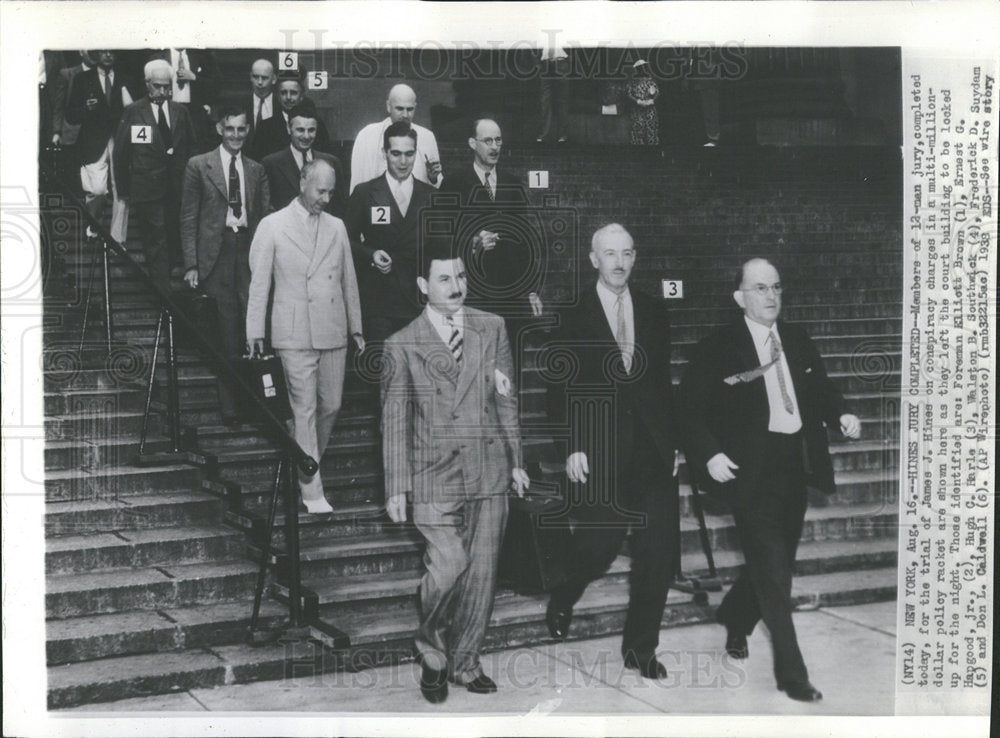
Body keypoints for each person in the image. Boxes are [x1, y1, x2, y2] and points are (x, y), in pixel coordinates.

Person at [680, 257, 862, 703]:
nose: (771, 296)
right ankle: (792, 673)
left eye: (777, 287)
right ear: (739, 296)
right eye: (760, 288)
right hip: (749, 473)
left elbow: (820, 389)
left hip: (793, 466)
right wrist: (711, 454)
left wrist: (841, 412)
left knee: (774, 568)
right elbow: (688, 410)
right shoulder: (718, 346)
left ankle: (735, 619)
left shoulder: (797, 339)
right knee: (774, 574)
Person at [381, 240, 529, 703]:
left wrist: (518, 460)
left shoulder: (492, 327)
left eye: (462, 277)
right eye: (445, 278)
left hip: (488, 469)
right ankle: (431, 652)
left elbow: (506, 399)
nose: (456, 286)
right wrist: (396, 486)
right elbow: (394, 420)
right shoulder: (401, 344)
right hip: (433, 474)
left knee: (481, 575)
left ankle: (465, 662)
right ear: (424, 285)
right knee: (448, 567)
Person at [542, 223, 680, 680]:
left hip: (652, 452)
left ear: (634, 257)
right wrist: (571, 446)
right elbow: (557, 387)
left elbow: (661, 385)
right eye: (610, 254)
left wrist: (673, 442)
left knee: (658, 553)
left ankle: (641, 648)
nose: (619, 262)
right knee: (598, 548)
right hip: (599, 448)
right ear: (593, 258)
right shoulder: (572, 312)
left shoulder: (655, 311)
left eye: (626, 253)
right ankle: (564, 594)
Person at [246, 159, 364, 515]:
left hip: (332, 328)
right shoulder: (273, 225)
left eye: (331, 192)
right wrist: (254, 330)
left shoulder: (338, 226)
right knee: (304, 410)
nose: (326, 198)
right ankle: (312, 490)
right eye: (320, 191)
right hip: (293, 331)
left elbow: (349, 280)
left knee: (332, 405)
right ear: (302, 182)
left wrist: (356, 326)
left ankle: (302, 461)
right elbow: (259, 283)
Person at [180, 106, 271, 426]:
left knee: (254, 326)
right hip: (215, 257)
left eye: (242, 129)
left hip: (247, 250)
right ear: (220, 128)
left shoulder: (256, 169)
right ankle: (231, 405)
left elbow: (263, 217)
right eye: (230, 129)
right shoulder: (198, 165)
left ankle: (256, 402)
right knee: (226, 332)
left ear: (248, 130)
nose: (236, 135)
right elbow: (189, 217)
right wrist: (191, 264)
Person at [441, 117, 544, 328]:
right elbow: (441, 238)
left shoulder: (512, 184)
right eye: (488, 141)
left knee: (511, 357)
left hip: (511, 293)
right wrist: (471, 242)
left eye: (498, 140)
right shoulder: (453, 184)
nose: (495, 147)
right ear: (472, 143)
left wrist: (532, 291)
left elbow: (524, 242)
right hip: (472, 292)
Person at [345, 121, 435, 344]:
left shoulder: (432, 197)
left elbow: (440, 249)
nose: (403, 162)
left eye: (409, 154)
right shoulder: (365, 193)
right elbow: (345, 241)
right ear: (384, 153)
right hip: (379, 301)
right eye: (396, 154)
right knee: (383, 372)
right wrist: (371, 255)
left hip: (418, 302)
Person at [114, 59, 197, 286]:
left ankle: (163, 284)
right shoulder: (133, 113)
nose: (162, 91)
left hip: (177, 188)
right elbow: (121, 154)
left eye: (166, 86)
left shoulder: (181, 112)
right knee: (156, 238)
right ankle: (164, 294)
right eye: (157, 86)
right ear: (147, 84)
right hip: (146, 189)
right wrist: (124, 190)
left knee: (171, 238)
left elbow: (191, 147)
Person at [65, 50, 133, 227]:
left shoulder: (126, 78)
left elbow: (135, 109)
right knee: (97, 190)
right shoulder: (83, 79)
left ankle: (118, 240)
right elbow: (70, 115)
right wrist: (86, 109)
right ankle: (94, 226)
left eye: (112, 52)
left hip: (121, 138)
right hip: (93, 142)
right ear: (97, 54)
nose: (109, 55)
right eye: (104, 52)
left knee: (122, 192)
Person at [349, 83, 442, 193]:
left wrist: (433, 178)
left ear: (415, 107)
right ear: (388, 106)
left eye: (410, 109)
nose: (405, 115)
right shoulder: (366, 136)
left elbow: (435, 185)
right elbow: (357, 181)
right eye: (400, 108)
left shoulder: (427, 137)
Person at [262, 100, 345, 215]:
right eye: (300, 130)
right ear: (288, 128)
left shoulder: (331, 162)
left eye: (311, 130)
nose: (306, 136)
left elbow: (339, 207)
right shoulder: (271, 164)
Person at [147, 48, 219, 152]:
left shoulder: (200, 56)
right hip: (168, 110)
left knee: (193, 150)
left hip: (194, 113)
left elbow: (216, 85)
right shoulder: (158, 57)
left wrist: (194, 77)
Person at [249, 71, 332, 161]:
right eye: (283, 93)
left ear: (301, 96)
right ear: (278, 97)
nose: (288, 97)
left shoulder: (316, 124)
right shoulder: (265, 127)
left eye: (293, 93)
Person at [535, 44, 570, 143]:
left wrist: (569, 61)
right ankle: (543, 135)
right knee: (544, 101)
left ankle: (563, 135)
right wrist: (537, 64)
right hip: (545, 65)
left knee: (562, 101)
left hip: (561, 63)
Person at [245, 58, 277, 155]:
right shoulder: (241, 104)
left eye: (264, 78)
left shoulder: (281, 104)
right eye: (255, 77)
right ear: (250, 77)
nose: (259, 82)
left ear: (274, 79)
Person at [624, 59, 659, 146]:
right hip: (637, 111)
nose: (643, 69)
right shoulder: (632, 81)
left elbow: (657, 92)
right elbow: (628, 93)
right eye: (641, 68)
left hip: (649, 111)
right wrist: (638, 101)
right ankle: (638, 153)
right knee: (637, 131)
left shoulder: (650, 80)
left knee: (651, 131)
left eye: (644, 67)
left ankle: (652, 152)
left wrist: (652, 99)